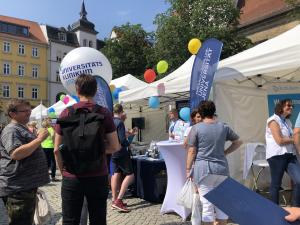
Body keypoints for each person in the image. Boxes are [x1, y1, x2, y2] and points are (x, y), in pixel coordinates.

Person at [54, 74, 120, 225]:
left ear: (77, 90)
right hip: (97, 175)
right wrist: (97, 151)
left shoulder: (66, 113)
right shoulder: (104, 113)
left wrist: (63, 170)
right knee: (98, 219)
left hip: (72, 176)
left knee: (70, 220)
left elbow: (56, 150)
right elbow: (115, 146)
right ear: (96, 91)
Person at [186, 100, 242, 225]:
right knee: (222, 204)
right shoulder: (223, 126)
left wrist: (187, 169)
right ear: (213, 111)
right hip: (222, 168)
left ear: (201, 112)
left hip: (203, 170)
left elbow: (191, 151)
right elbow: (238, 141)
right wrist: (225, 152)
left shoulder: (196, 128)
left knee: (207, 206)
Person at [0, 99, 49, 225]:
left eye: (29, 110)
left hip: (24, 187)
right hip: (17, 189)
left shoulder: (21, 128)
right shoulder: (11, 130)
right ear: (12, 114)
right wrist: (39, 139)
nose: (29, 113)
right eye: (25, 111)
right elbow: (16, 153)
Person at [265, 99, 300, 206]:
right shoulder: (273, 120)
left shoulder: (288, 122)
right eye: (288, 105)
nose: (291, 108)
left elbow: (289, 138)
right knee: (276, 184)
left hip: (290, 155)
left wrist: (291, 140)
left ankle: (295, 208)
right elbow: (280, 140)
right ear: (281, 107)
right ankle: (273, 210)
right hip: (277, 156)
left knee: (299, 181)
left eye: (292, 106)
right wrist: (294, 139)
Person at [111, 103, 135, 212]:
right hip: (121, 152)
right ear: (121, 112)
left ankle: (114, 199)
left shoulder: (111, 121)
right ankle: (119, 200)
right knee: (130, 175)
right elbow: (121, 139)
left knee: (116, 174)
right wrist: (128, 144)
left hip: (113, 152)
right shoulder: (120, 122)